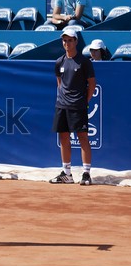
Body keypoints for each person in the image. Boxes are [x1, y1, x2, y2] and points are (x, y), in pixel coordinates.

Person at [50, 29, 96, 186]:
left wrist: (84, 100)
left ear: (76, 42)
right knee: (63, 137)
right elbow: (59, 83)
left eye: (70, 40)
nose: (67, 43)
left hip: (78, 106)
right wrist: (63, 96)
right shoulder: (59, 62)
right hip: (61, 105)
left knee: (83, 138)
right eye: (64, 40)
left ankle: (86, 173)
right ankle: (67, 174)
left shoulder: (84, 62)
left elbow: (92, 83)